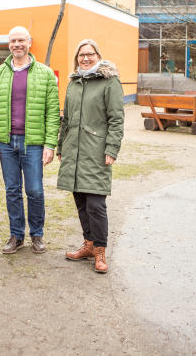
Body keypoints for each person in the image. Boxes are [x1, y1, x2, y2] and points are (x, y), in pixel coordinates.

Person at [0, 26, 60, 254]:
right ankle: (16, 235)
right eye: (13, 41)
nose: (17, 44)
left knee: (35, 190)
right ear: (9, 44)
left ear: (30, 42)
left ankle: (37, 234)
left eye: (21, 40)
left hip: (33, 143)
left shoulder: (45, 73)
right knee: (12, 190)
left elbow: (53, 111)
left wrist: (49, 144)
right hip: (5, 143)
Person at [57, 39, 124, 273]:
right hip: (74, 151)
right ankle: (88, 244)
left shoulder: (109, 82)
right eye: (81, 55)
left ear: (98, 55)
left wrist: (111, 149)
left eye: (90, 54)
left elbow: (116, 118)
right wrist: (60, 148)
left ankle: (100, 251)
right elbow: (65, 118)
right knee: (81, 202)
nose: (85, 58)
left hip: (96, 151)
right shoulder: (73, 83)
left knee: (96, 204)